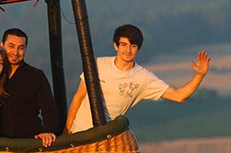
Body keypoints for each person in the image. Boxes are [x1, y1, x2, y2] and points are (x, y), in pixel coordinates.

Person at [66, 24, 211, 133]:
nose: (128, 50)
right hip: (77, 133)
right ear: (116, 46)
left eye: (133, 46)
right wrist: (67, 130)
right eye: (124, 45)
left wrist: (200, 75)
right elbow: (79, 97)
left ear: (139, 49)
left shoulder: (143, 78)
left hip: (103, 138)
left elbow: (179, 96)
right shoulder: (97, 64)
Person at [0, 28, 59, 147]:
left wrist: (47, 131)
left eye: (21, 48)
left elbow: (49, 110)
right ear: (2, 46)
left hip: (27, 142)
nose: (15, 52)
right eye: (11, 46)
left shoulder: (36, 76)